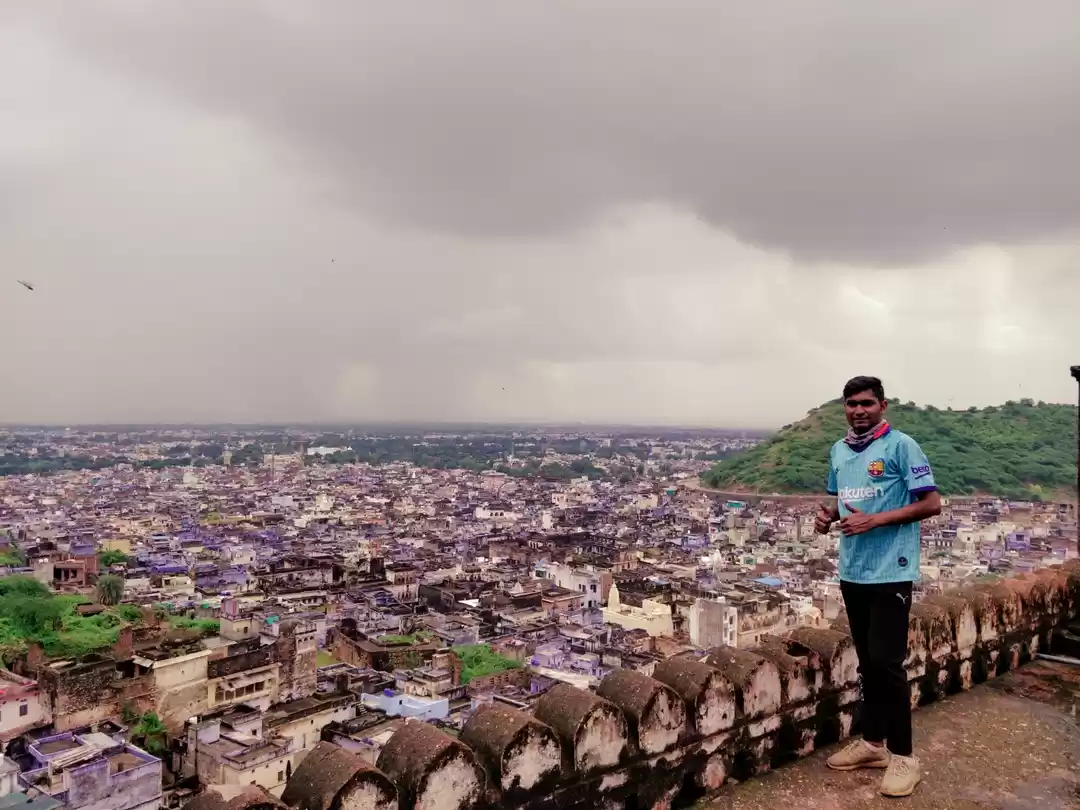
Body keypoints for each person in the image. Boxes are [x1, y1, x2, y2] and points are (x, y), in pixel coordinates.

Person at [814, 376, 941, 798]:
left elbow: (931, 503)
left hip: (891, 570)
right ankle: (872, 744)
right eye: (852, 404)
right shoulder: (839, 450)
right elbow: (842, 501)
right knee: (868, 663)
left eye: (867, 403)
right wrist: (828, 517)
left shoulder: (901, 446)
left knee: (887, 664)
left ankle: (904, 757)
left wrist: (875, 520)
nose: (859, 411)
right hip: (854, 570)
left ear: (882, 406)